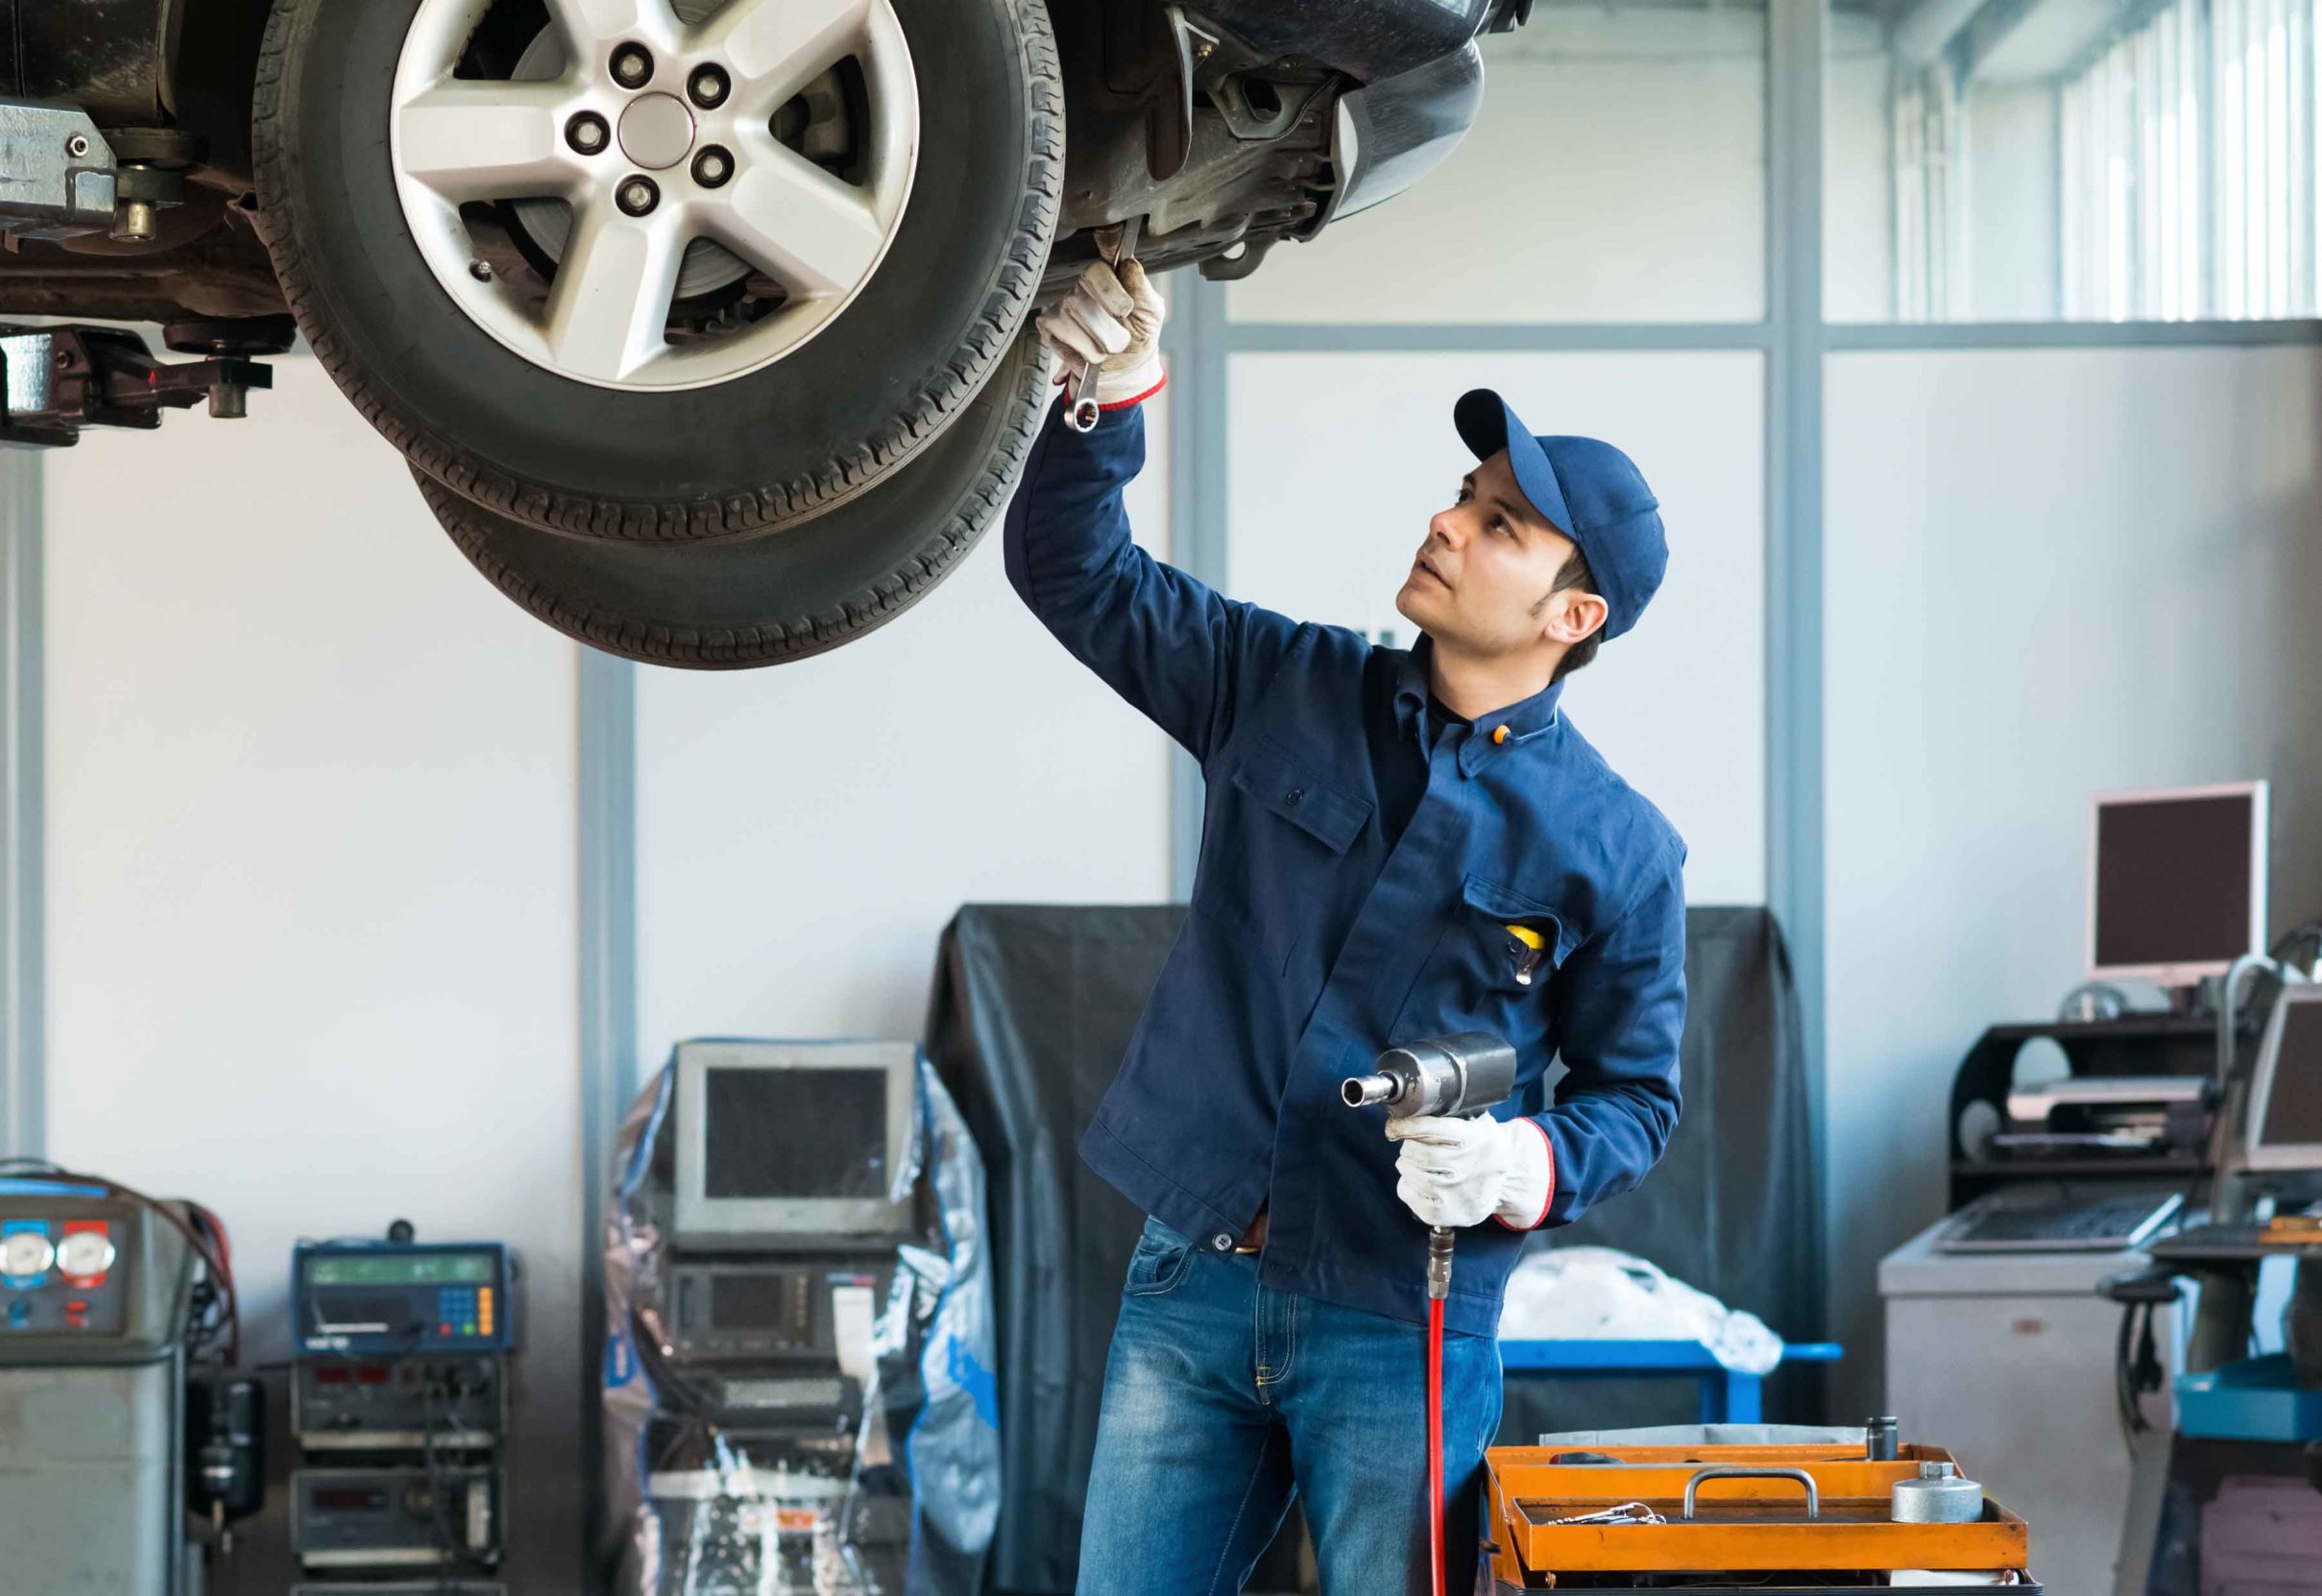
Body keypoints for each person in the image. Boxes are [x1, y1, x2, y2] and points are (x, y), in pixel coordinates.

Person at [1007, 254, 1688, 1594]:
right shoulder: (1278, 682)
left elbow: (1638, 1095)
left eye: (1498, 526)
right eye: (1462, 496)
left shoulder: (1618, 848)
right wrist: (1109, 395)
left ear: (1572, 615)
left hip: (1399, 1316)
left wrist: (1521, 1166)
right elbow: (1073, 571)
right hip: (1190, 1281)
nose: (1445, 523)